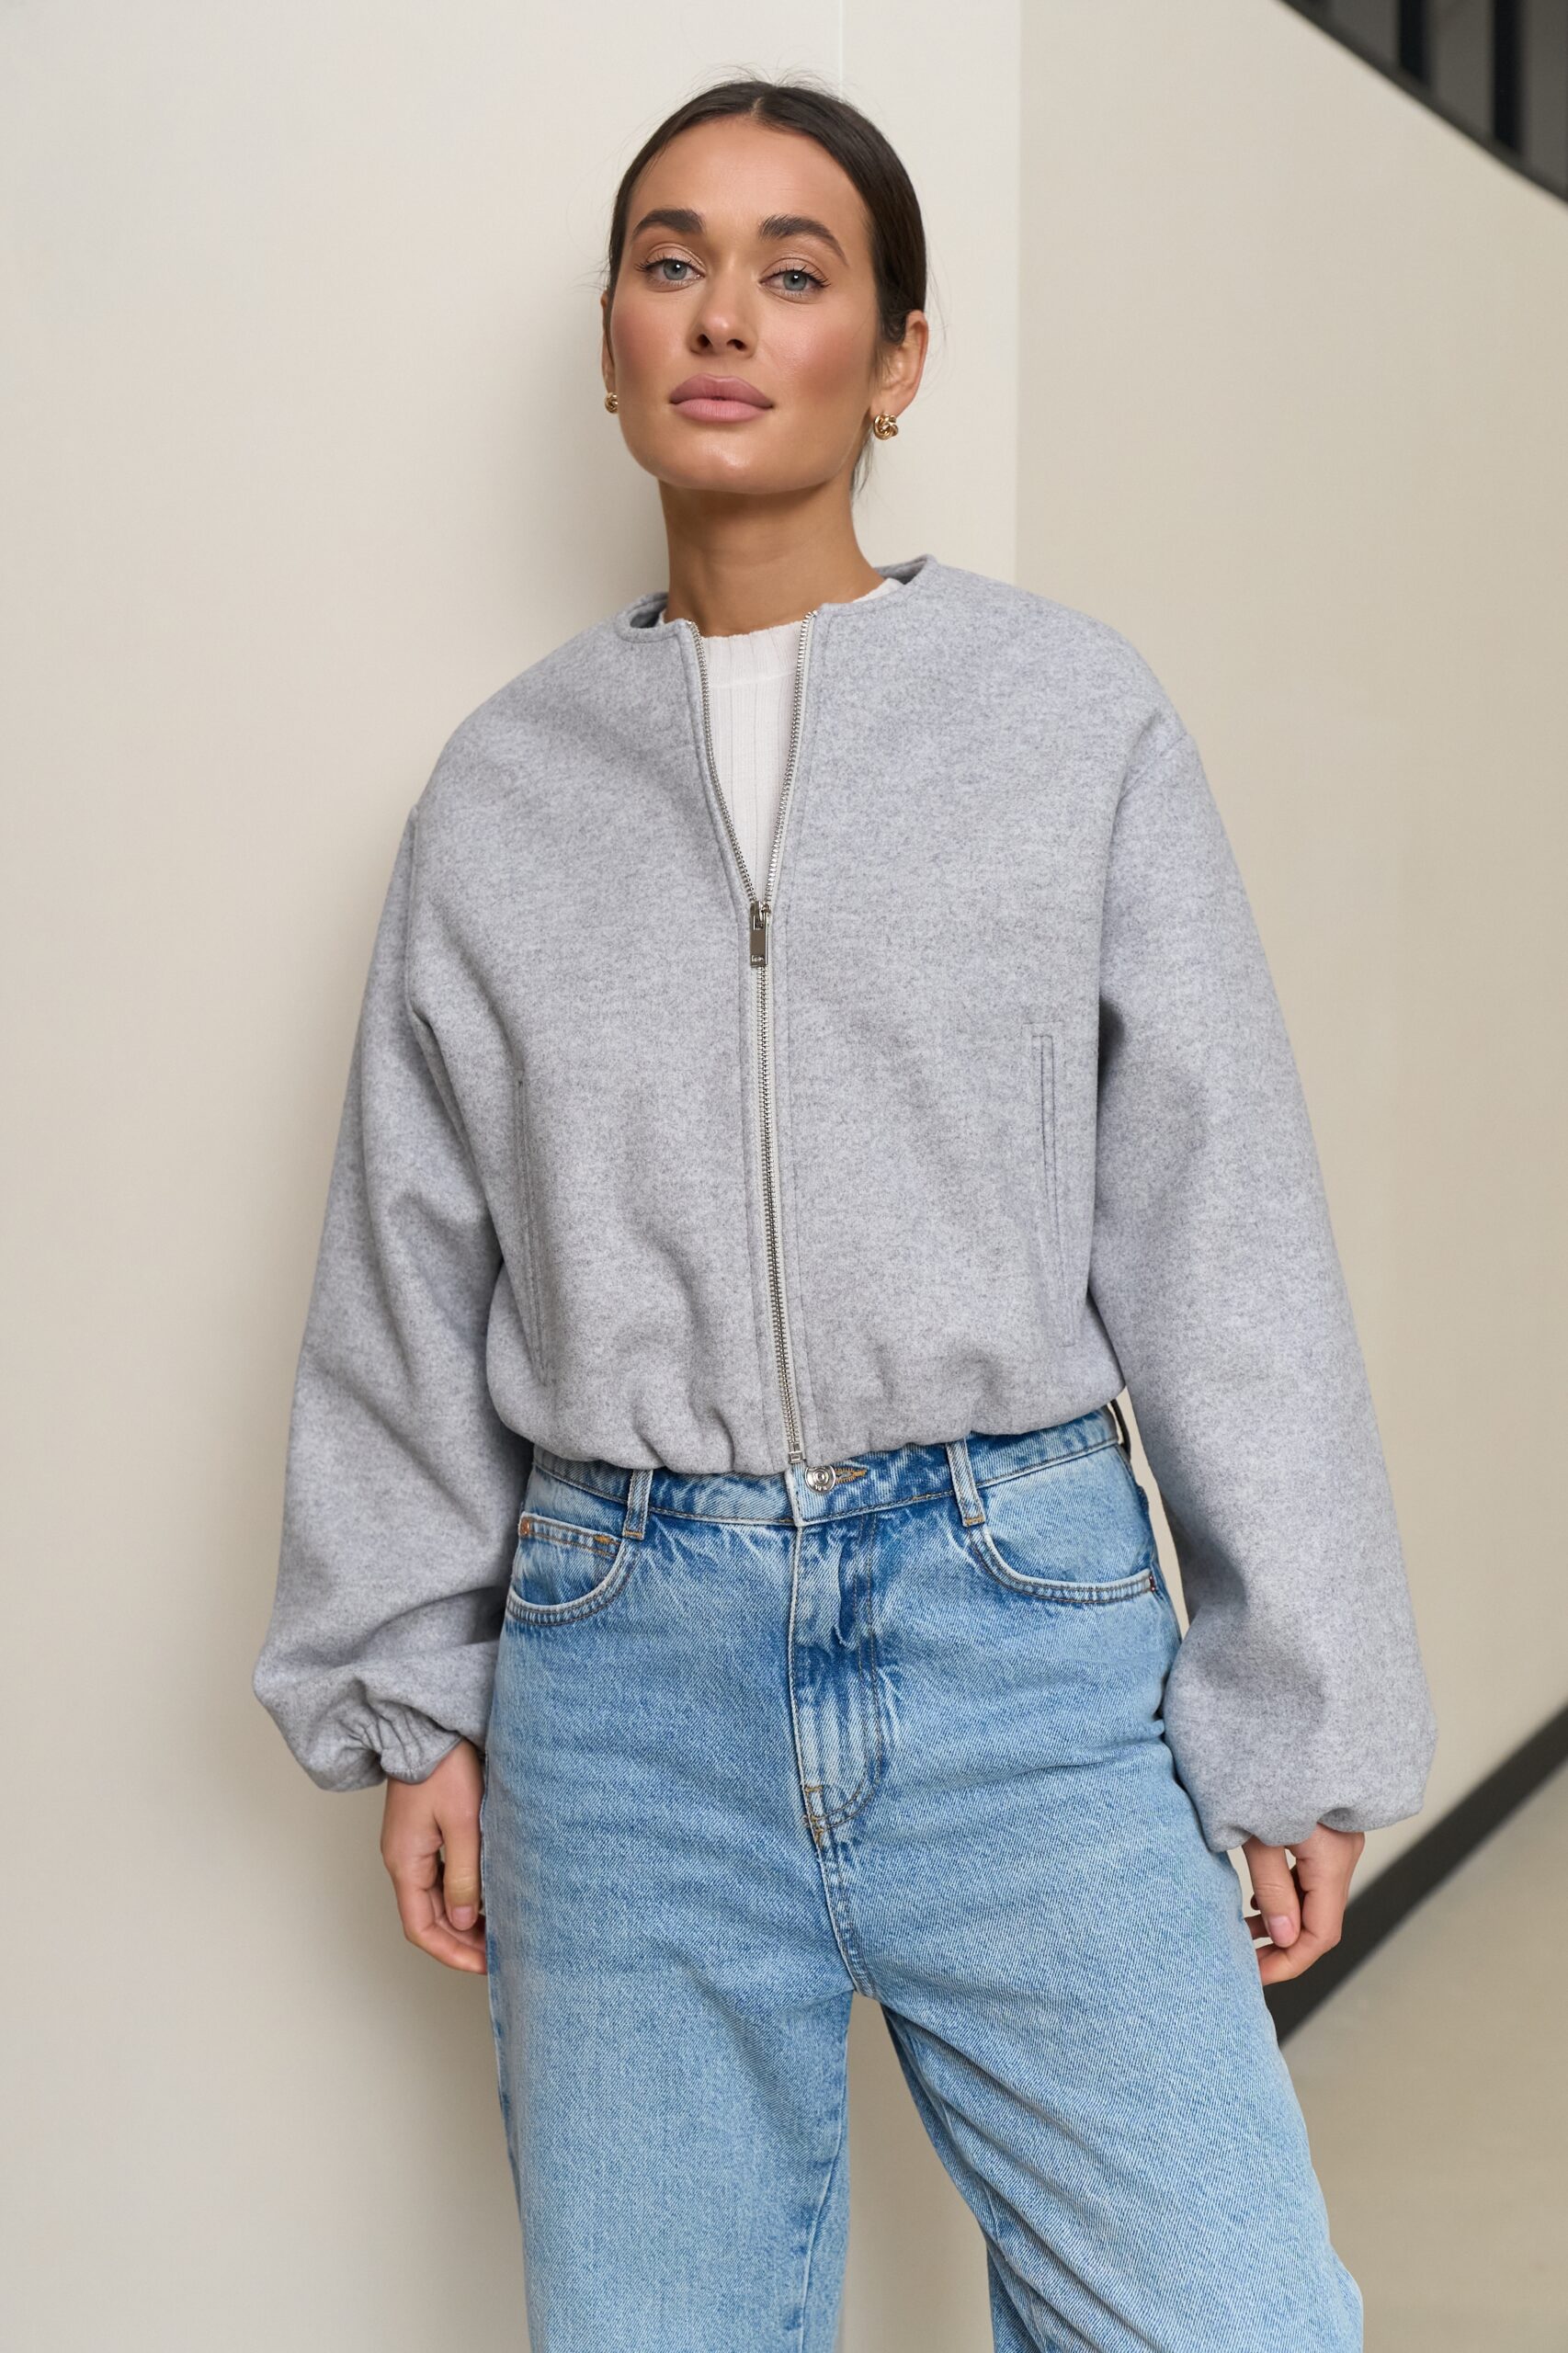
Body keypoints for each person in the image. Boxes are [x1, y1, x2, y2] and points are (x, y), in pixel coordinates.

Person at [252, 74, 1437, 2353]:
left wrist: (1296, 1702)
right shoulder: (501, 791)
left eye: (794, 272)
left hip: (1021, 1631)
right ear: (613, 346)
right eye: (670, 262)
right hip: (622, 1675)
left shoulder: (1067, 721)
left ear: (894, 360)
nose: (723, 315)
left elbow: (1219, 1226)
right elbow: (407, 1268)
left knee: (1222, 2316)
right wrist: (412, 1694)